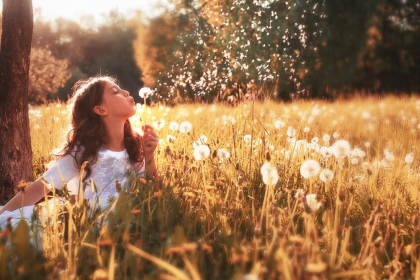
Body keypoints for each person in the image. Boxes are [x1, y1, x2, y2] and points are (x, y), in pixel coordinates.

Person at [0, 76, 159, 225]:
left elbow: (154, 192)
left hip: (125, 223)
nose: (126, 92)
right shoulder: (84, 152)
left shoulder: (135, 145)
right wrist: (3, 215)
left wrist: (149, 155)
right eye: (116, 92)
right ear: (100, 110)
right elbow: (39, 188)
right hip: (84, 223)